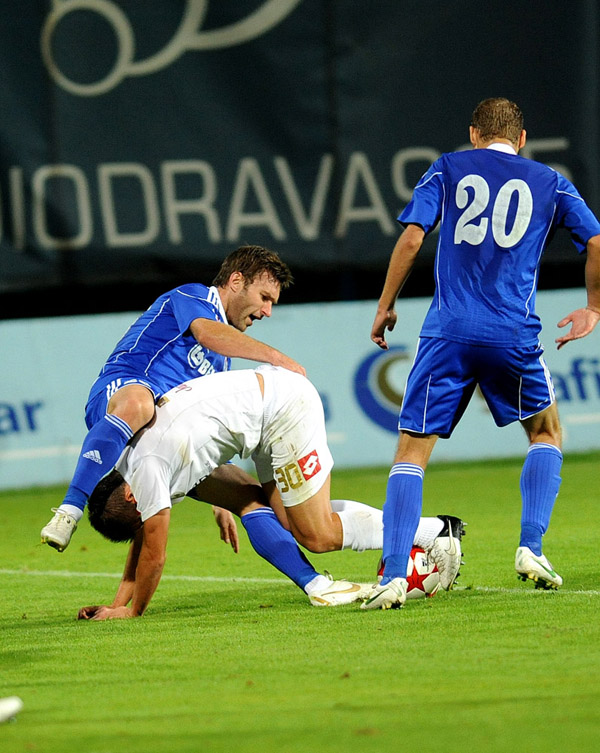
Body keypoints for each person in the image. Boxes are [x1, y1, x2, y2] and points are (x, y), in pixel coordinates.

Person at [363, 97, 600, 610]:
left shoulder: (447, 167)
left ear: (474, 134)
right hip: (512, 333)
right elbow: (597, 240)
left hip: (447, 332)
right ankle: (530, 547)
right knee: (546, 432)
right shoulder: (551, 182)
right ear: (521, 139)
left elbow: (411, 237)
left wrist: (385, 306)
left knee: (410, 453)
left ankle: (393, 576)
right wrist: (593, 307)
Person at [76, 366, 464, 619]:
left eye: (140, 512)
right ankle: (330, 580)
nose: (148, 516)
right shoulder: (132, 463)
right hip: (264, 413)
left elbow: (154, 555)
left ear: (130, 497)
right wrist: (116, 603)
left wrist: (133, 611)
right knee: (268, 510)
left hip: (283, 411)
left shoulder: (147, 471)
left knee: (317, 534)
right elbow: (143, 541)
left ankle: (431, 533)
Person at [40, 245, 305, 552]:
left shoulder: (222, 360)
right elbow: (207, 333)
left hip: (161, 430)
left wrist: (220, 500)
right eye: (264, 298)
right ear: (235, 281)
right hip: (123, 392)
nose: (267, 311)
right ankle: (69, 511)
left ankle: (314, 583)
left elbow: (209, 425)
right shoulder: (193, 296)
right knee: (140, 404)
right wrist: (278, 359)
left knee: (250, 495)